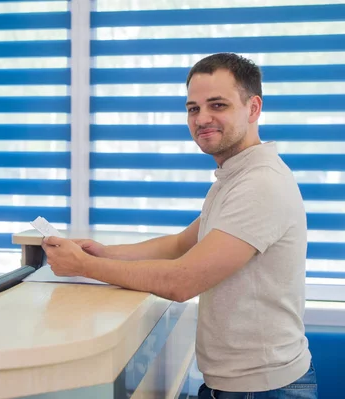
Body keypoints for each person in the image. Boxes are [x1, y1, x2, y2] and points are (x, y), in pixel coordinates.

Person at [41, 53, 317, 397]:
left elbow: (183, 281)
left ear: (253, 107)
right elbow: (179, 245)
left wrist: (86, 266)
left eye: (217, 105)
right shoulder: (233, 177)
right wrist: (103, 252)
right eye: (193, 108)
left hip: (264, 389)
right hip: (232, 385)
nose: (202, 119)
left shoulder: (261, 184)